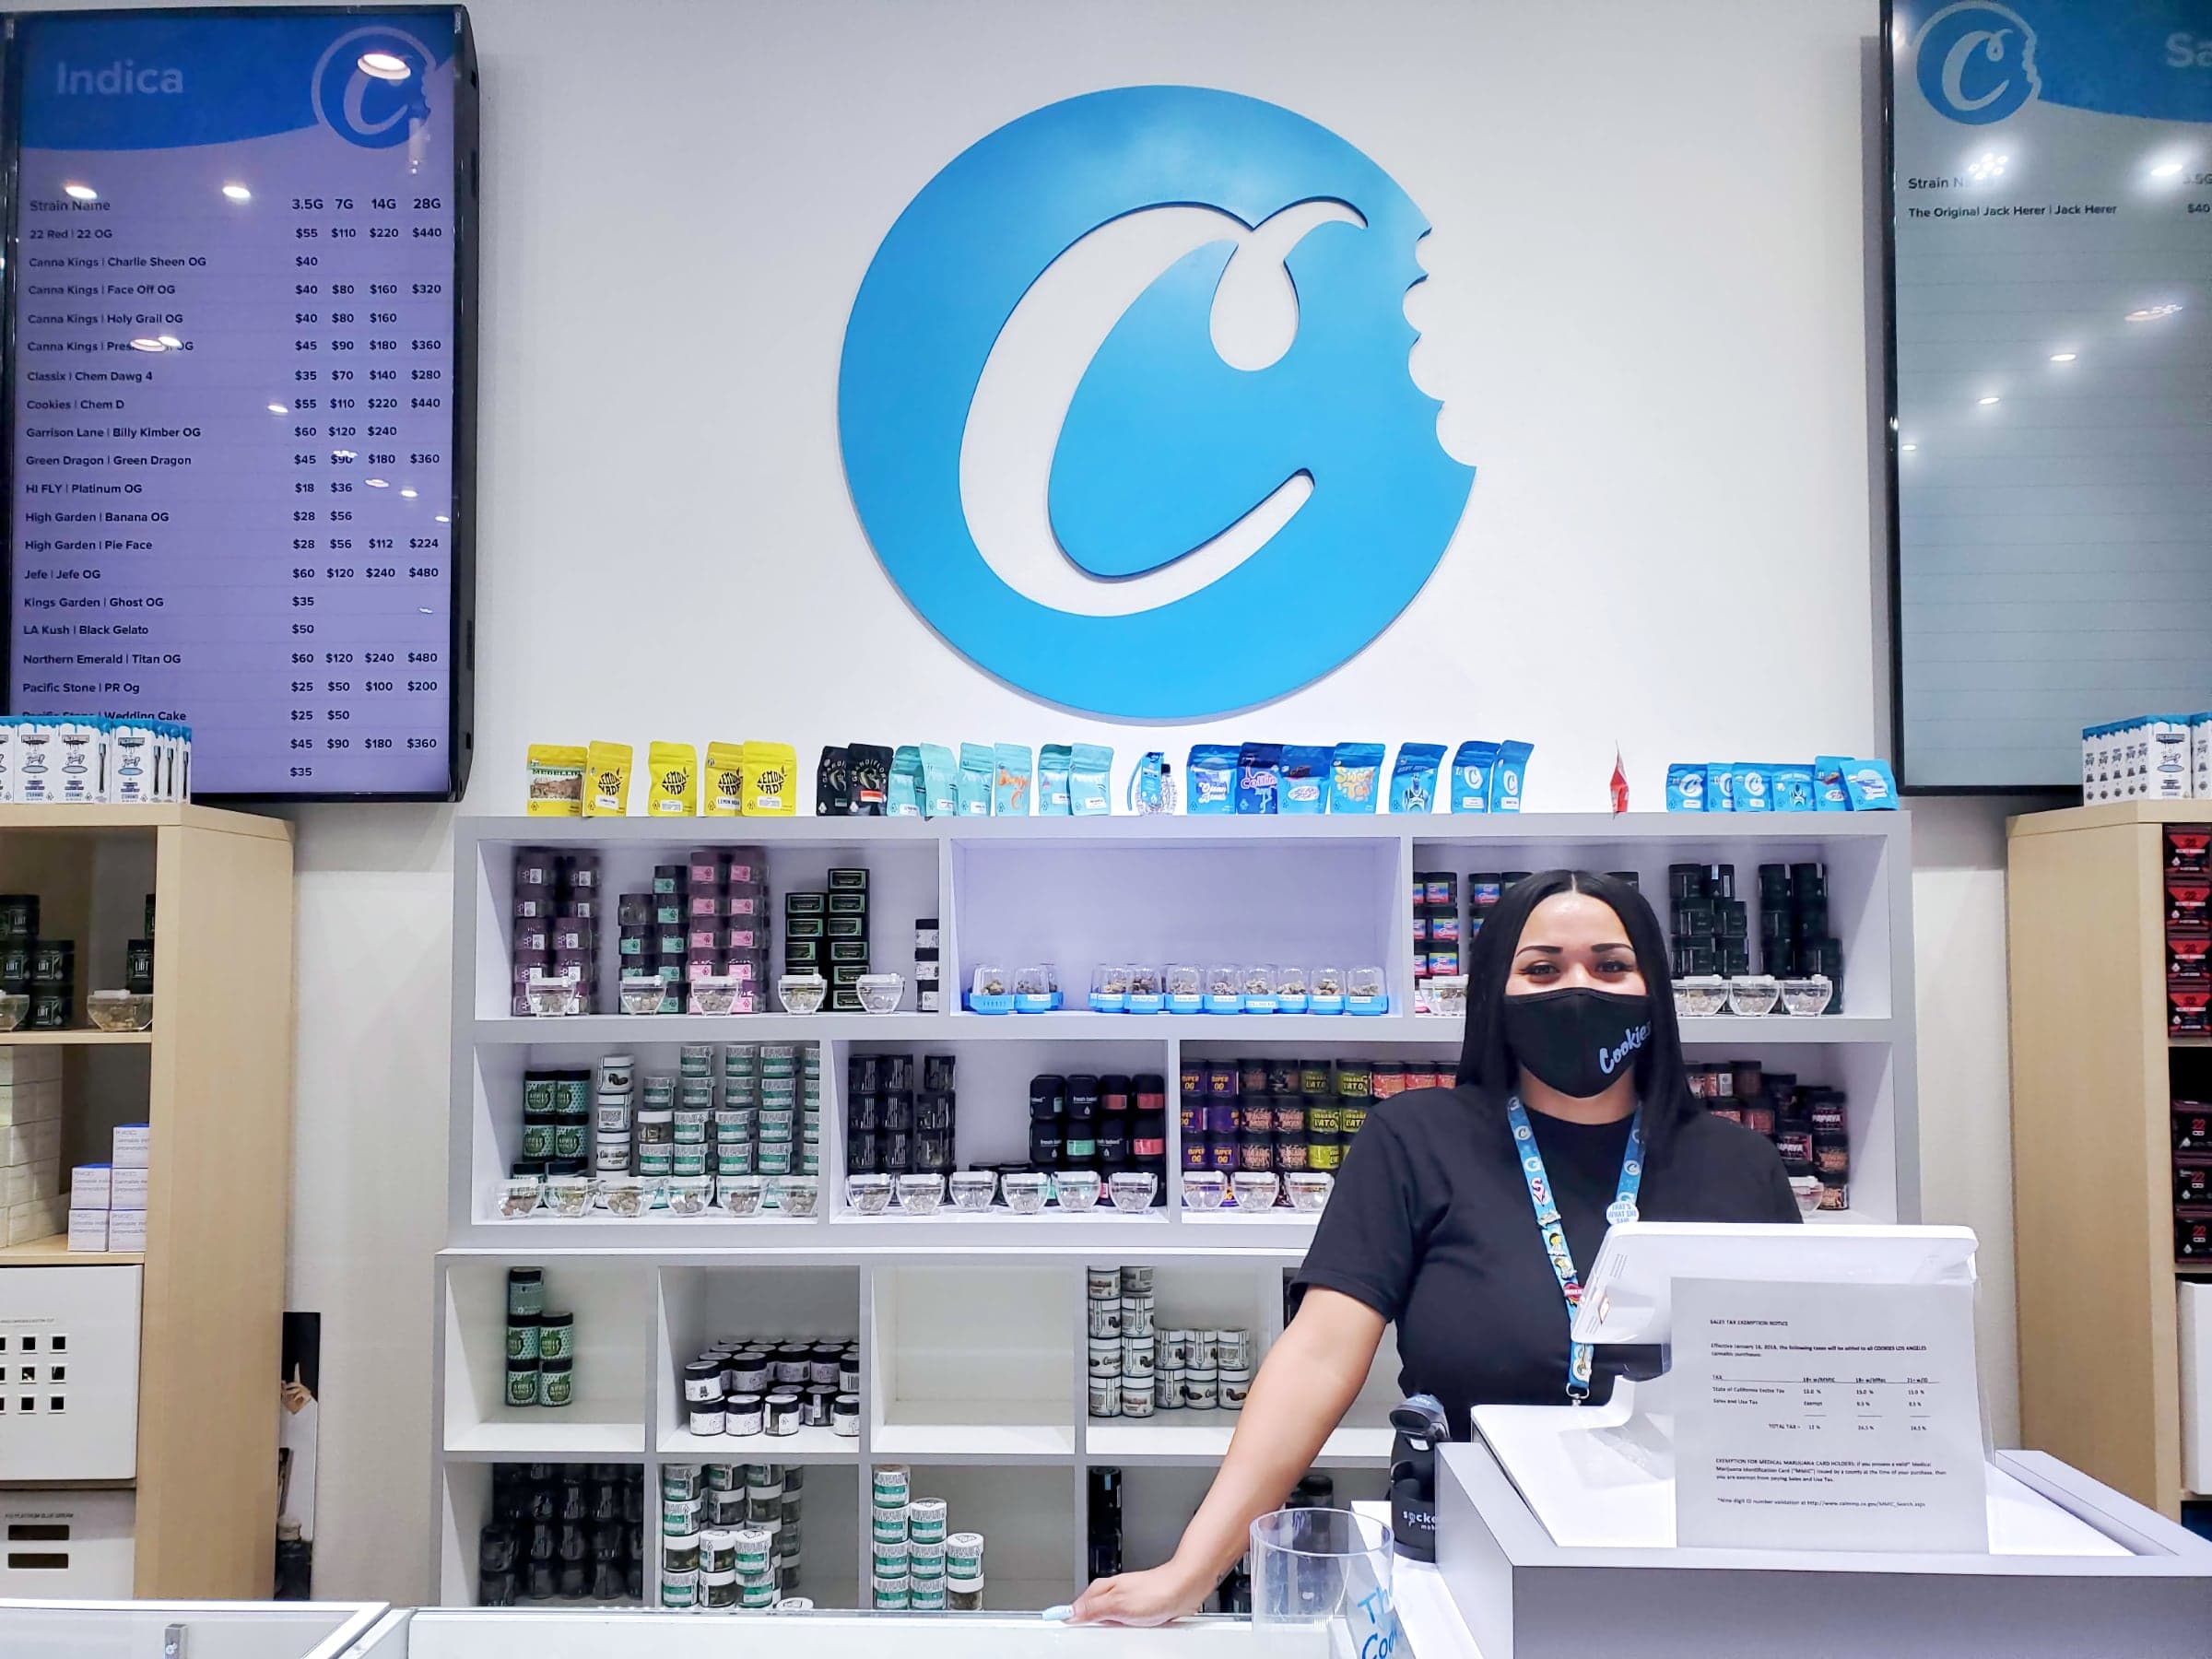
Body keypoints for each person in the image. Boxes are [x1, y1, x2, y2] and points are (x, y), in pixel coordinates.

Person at [1072, 868, 1798, 1625]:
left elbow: (1797, 1380)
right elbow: (1319, 1354)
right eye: (1542, 968)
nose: (1578, 988)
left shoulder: (1740, 1166)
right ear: (1495, 994)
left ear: (1654, 989)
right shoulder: (1414, 1139)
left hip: (1694, 1573)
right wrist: (1196, 1565)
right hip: (1461, 1566)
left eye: (1611, 966)